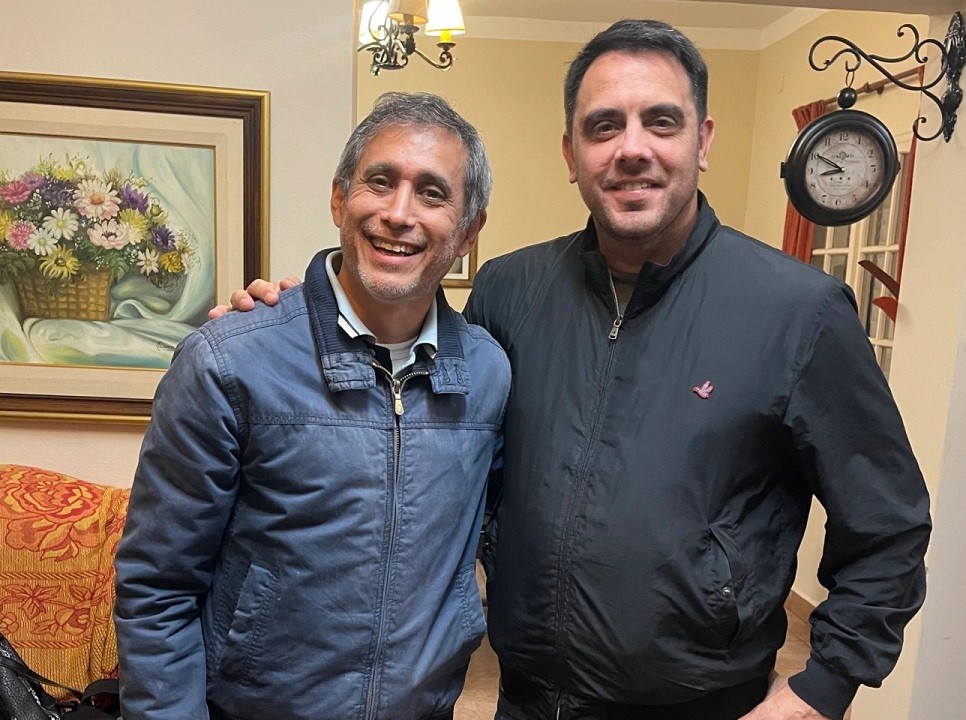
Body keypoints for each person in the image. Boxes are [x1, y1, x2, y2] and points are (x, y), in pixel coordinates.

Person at [223, 19, 931, 720]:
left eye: (661, 122)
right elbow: (405, 383)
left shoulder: (799, 311)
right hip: (524, 700)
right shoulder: (510, 289)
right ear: (571, 152)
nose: (632, 149)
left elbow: (890, 528)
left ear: (703, 141)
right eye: (603, 126)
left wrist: (822, 688)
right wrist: (292, 323)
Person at [114, 92, 511, 720]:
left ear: (468, 231)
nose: (398, 214)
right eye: (380, 182)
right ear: (338, 198)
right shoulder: (229, 360)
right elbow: (157, 590)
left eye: (432, 194)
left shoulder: (488, 373)